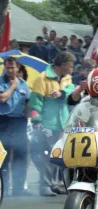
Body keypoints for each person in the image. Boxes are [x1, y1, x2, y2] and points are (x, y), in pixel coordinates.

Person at [29, 52, 76, 196]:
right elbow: (35, 103)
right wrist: (37, 123)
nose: (72, 68)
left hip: (63, 123)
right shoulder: (42, 78)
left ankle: (58, 183)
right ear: (62, 65)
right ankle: (45, 185)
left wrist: (62, 93)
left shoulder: (67, 78)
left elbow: (72, 91)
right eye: (70, 65)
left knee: (60, 156)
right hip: (47, 124)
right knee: (47, 156)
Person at [0, 57, 31, 197]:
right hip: (5, 121)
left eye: (12, 67)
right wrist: (12, 86)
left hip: (19, 122)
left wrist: (26, 119)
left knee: (21, 155)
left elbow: (27, 103)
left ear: (17, 68)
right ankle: (3, 188)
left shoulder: (23, 84)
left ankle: (19, 189)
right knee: (4, 155)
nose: (10, 70)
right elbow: (2, 98)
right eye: (7, 67)